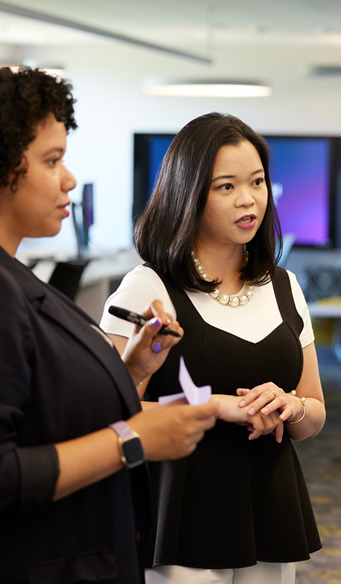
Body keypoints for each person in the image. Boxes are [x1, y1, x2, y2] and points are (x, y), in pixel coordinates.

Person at [0, 67, 220, 583]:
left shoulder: (17, 279)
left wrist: (132, 368)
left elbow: (45, 411)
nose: (69, 179)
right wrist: (132, 438)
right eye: (51, 160)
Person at [99, 112, 326, 584]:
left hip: (270, 505)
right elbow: (107, 417)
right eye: (226, 186)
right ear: (188, 193)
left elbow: (314, 414)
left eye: (258, 182)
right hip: (180, 512)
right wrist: (216, 407)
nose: (248, 199)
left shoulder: (284, 285)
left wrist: (292, 407)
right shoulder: (148, 287)